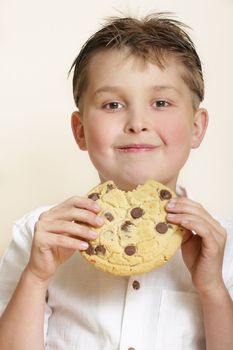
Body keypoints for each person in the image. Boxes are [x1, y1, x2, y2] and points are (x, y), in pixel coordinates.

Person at [0, 12, 233, 350]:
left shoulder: (223, 246)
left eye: (161, 102)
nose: (137, 122)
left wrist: (212, 289)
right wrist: (35, 278)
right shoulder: (37, 235)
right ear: (80, 131)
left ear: (196, 128)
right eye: (112, 104)